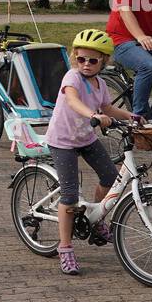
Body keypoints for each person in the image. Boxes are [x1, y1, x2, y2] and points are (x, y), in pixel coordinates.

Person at [46, 29, 140, 276]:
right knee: (69, 196)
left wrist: (132, 116)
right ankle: (65, 248)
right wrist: (93, 115)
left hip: (86, 138)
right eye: (81, 59)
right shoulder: (72, 78)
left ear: (104, 61)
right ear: (75, 57)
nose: (86, 64)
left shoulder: (100, 83)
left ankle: (95, 219)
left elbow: (108, 107)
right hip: (63, 141)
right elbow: (73, 101)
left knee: (111, 179)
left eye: (93, 60)